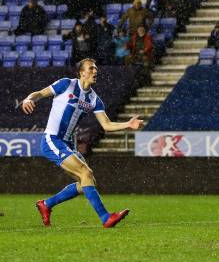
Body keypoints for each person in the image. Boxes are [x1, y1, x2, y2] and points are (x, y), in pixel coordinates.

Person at [22, 58, 143, 228]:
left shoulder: (94, 99)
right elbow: (40, 93)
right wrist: (28, 99)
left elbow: (106, 125)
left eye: (96, 68)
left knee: (87, 180)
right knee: (85, 173)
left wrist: (127, 124)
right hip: (53, 140)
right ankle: (106, 218)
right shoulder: (66, 84)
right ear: (81, 72)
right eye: (91, 68)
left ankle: (46, 204)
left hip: (69, 143)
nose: (95, 71)